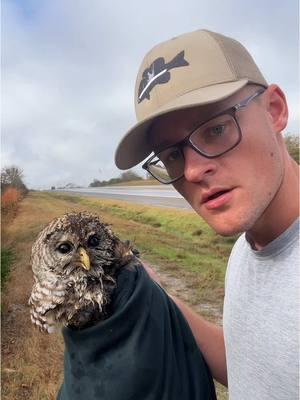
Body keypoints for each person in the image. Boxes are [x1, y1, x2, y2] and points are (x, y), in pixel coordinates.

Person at [114, 29, 299, 400]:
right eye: (172, 155)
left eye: (215, 129)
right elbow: (255, 370)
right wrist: (155, 296)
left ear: (274, 110)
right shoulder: (247, 251)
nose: (194, 171)